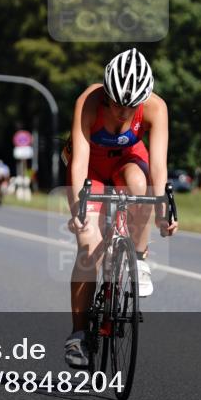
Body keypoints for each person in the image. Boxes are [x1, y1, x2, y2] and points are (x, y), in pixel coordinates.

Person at [62, 48, 178, 369]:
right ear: (106, 94)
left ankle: (138, 257)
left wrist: (163, 211)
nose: (123, 112)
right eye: (115, 103)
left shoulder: (156, 107)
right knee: (88, 247)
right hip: (91, 168)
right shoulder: (88, 102)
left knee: (140, 186)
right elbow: (79, 164)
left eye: (131, 105)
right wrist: (78, 209)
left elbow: (158, 167)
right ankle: (79, 335)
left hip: (128, 163)